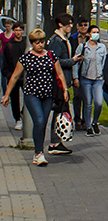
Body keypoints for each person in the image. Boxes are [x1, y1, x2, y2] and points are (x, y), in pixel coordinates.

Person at [2, 28, 69, 165]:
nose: (40, 45)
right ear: (32, 43)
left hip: (48, 94)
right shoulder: (26, 58)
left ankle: (39, 152)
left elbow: (60, 73)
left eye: (42, 42)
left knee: (43, 123)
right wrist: (6, 95)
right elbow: (15, 76)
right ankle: (38, 152)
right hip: (32, 94)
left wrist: (65, 89)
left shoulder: (51, 55)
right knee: (38, 120)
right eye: (37, 42)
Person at [47, 14, 78, 155]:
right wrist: (72, 61)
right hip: (59, 83)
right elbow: (55, 61)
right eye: (68, 24)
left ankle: (57, 141)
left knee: (60, 111)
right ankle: (54, 143)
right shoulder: (57, 41)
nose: (70, 26)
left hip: (63, 81)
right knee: (59, 111)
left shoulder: (62, 40)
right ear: (60, 25)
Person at [75, 25, 106, 136]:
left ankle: (95, 122)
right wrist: (75, 78)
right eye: (93, 32)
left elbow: (104, 63)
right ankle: (88, 126)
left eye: (97, 32)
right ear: (89, 34)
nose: (96, 34)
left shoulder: (102, 47)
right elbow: (76, 63)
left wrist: (104, 77)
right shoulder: (83, 47)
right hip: (86, 79)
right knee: (88, 103)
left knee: (98, 103)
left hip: (98, 79)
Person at [2, 23, 26, 130]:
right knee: (15, 99)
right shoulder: (9, 45)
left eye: (20, 30)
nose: (18, 32)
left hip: (26, 76)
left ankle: (24, 113)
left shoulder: (27, 43)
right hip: (13, 76)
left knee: (29, 97)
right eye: (16, 30)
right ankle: (18, 119)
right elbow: (5, 61)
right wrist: (7, 74)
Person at [71, 18, 90, 128]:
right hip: (77, 70)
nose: (83, 27)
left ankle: (85, 120)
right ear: (77, 27)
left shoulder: (90, 38)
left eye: (85, 25)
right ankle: (77, 119)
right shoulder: (73, 38)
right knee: (77, 96)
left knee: (86, 97)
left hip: (88, 71)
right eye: (81, 25)